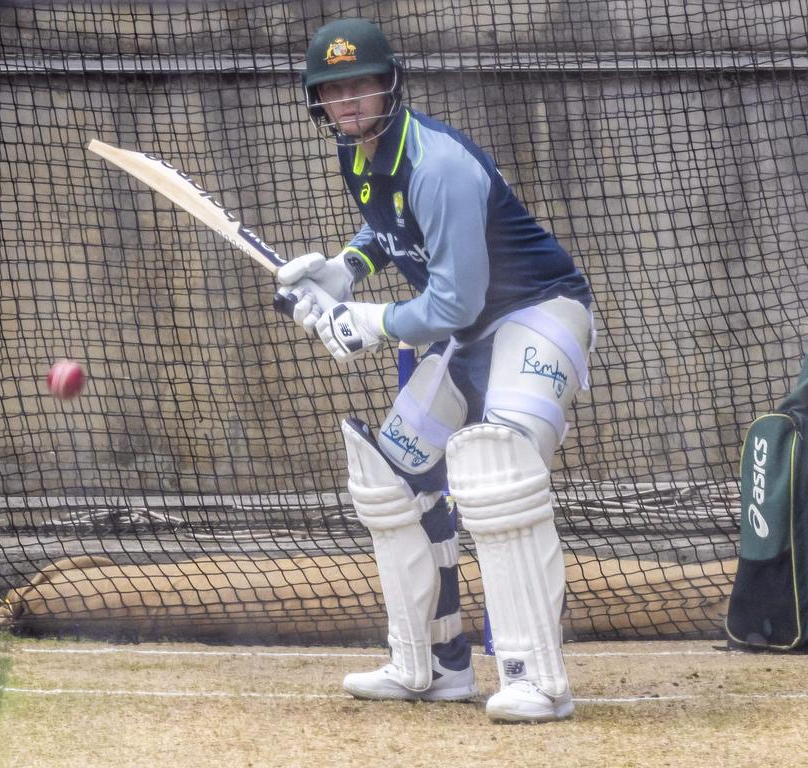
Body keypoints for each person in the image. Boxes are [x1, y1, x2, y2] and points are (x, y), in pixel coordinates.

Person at [277, 17, 595, 723]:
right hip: (472, 332)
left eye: (361, 84)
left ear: (390, 84)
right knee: (391, 476)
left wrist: (367, 322)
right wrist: (344, 270)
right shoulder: (360, 153)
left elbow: (455, 301)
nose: (350, 100)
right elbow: (390, 229)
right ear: (319, 103)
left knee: (498, 470)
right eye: (335, 90)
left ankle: (535, 679)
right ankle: (431, 665)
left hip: (536, 314)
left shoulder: (438, 164)